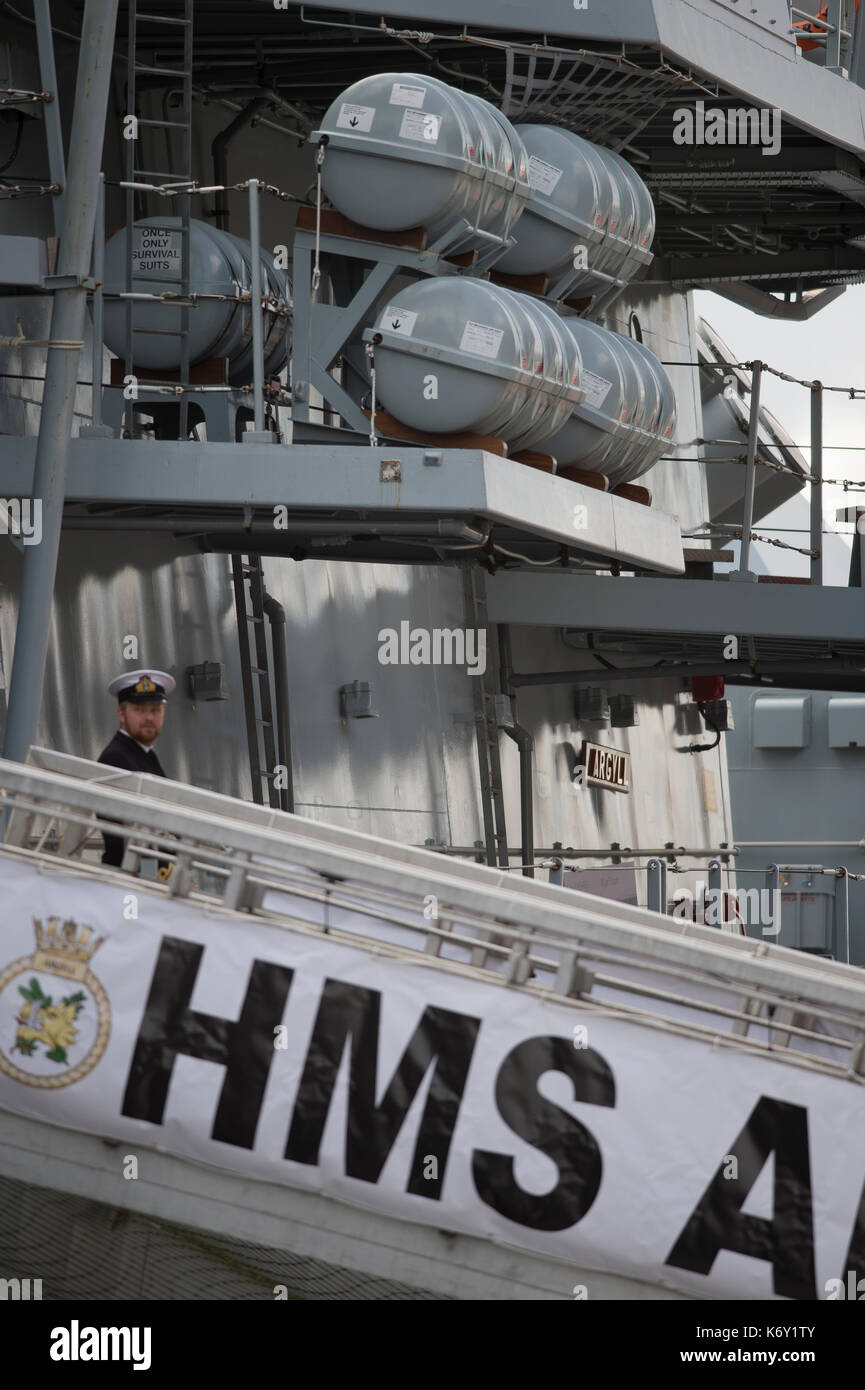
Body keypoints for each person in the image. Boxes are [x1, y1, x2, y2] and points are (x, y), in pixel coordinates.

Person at [97, 669, 176, 869]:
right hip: (134, 876)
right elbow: (130, 831)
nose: (149, 717)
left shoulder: (144, 754)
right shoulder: (116, 758)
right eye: (139, 710)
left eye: (155, 710)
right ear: (121, 715)